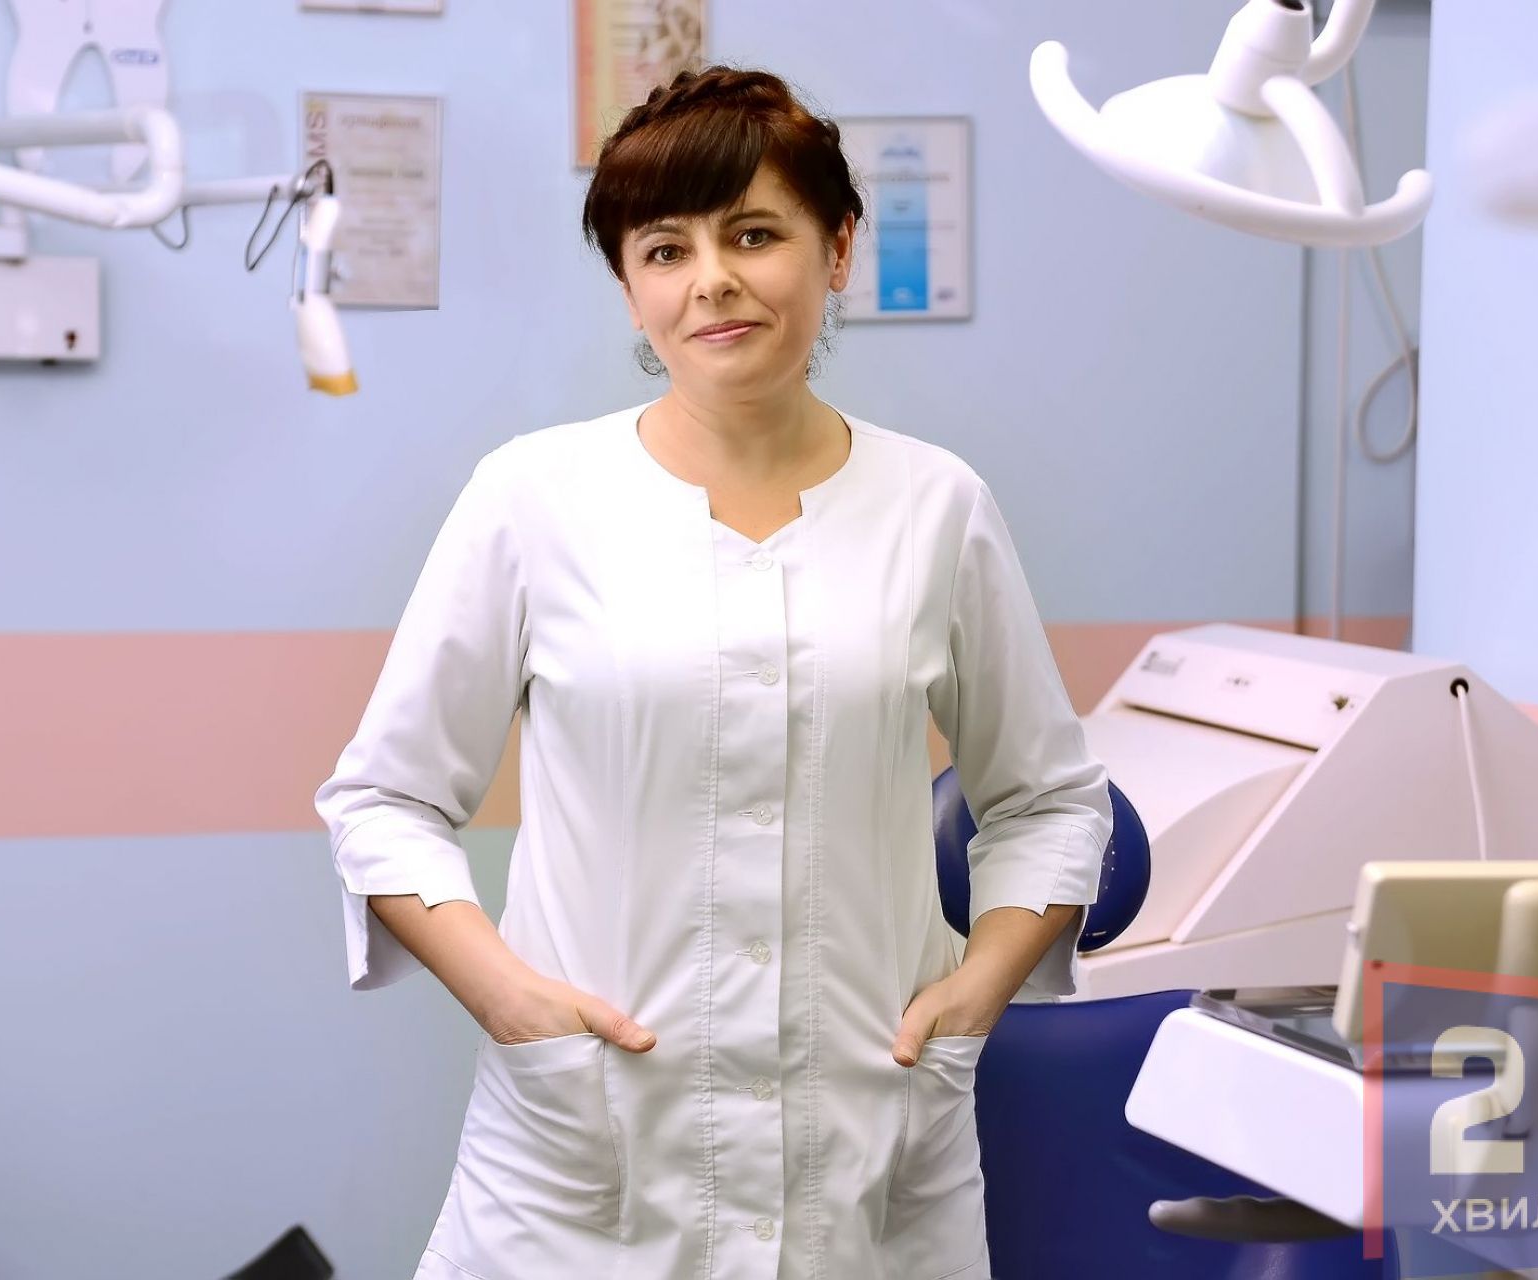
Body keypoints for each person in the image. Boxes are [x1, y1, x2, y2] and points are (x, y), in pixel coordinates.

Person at [315, 64, 1113, 1280]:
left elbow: (1048, 798)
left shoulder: (936, 506)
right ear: (630, 286)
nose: (712, 280)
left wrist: (975, 995)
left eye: (753, 234)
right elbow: (385, 799)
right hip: (590, 1155)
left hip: (869, 1150)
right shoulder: (531, 499)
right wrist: (509, 999)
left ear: (837, 249)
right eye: (665, 249)